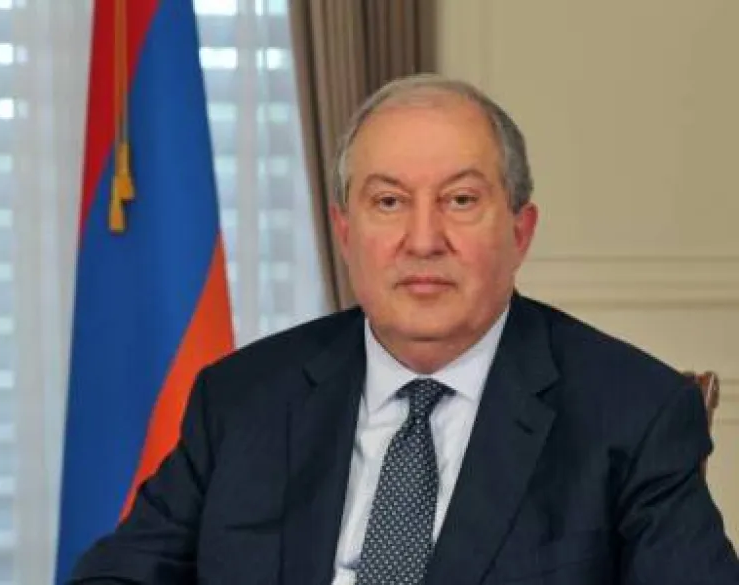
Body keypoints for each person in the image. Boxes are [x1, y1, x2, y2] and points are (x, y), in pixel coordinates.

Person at [68, 74, 739, 585]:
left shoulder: (633, 413)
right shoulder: (242, 399)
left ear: (520, 230)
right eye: (388, 201)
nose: (423, 239)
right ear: (344, 232)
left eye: (460, 200)